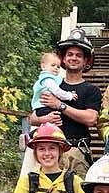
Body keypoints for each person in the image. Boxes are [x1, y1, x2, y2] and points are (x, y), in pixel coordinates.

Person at [29, 28, 101, 177]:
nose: (73, 58)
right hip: (51, 152)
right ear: (63, 59)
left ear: (86, 60)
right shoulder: (52, 85)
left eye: (78, 55)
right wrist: (44, 119)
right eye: (70, 54)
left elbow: (91, 119)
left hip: (77, 150)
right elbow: (32, 117)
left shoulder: (91, 90)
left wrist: (60, 105)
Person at [11, 123, 86, 193]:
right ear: (35, 152)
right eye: (41, 149)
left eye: (52, 148)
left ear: (60, 151)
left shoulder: (74, 181)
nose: (47, 153)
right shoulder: (27, 181)